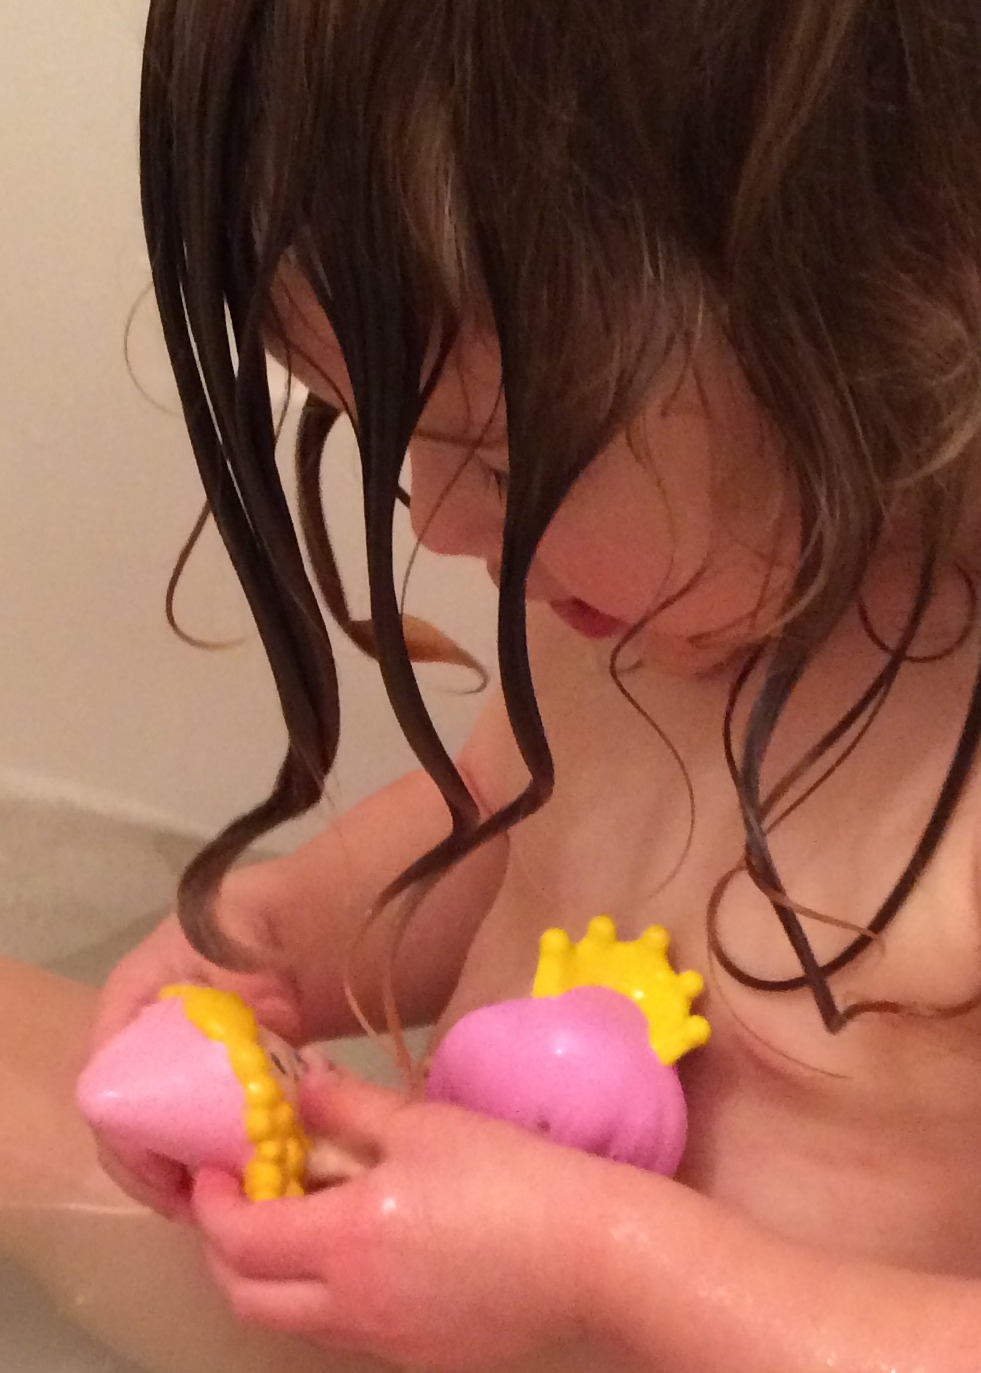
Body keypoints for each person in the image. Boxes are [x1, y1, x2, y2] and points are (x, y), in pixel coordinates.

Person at [88, 2, 981, 1369]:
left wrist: (605, 1273)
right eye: (376, 430)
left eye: (506, 459)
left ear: (910, 300)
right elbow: (497, 825)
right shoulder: (628, 620)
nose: (442, 526)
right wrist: (263, 941)